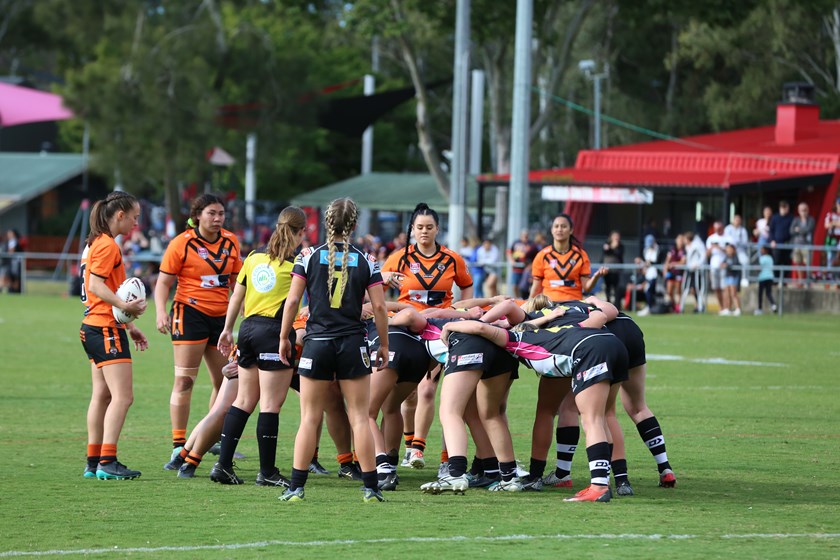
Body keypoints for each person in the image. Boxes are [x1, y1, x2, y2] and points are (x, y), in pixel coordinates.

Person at [278, 197, 389, 502]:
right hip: (353, 344)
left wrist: (284, 336)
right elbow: (380, 307)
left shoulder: (308, 256)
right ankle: (370, 488)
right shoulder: (367, 259)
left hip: (317, 344)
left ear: (326, 222)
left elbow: (292, 301)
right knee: (360, 418)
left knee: (309, 418)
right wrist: (384, 344)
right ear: (354, 225)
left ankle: (296, 487)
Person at [208, 206, 307, 486]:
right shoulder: (296, 264)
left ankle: (223, 465)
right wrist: (285, 336)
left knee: (243, 401)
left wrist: (227, 330)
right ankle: (267, 472)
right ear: (301, 232)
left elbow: (236, 297)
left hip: (248, 330)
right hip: (274, 332)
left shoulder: (253, 257)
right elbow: (294, 302)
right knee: (270, 405)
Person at [380, 203, 473, 471]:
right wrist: (383, 279)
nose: (424, 232)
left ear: (437, 229)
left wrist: (459, 311)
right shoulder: (399, 258)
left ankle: (425, 452)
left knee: (429, 390)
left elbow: (467, 286)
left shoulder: (452, 259)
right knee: (407, 394)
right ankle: (408, 446)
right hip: (407, 332)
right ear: (412, 229)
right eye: (419, 227)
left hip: (440, 331)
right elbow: (375, 290)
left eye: (429, 227)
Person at [154, 194, 242, 462]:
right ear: (198, 216)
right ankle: (178, 443)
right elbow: (163, 283)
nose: (217, 218)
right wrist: (160, 311)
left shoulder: (231, 241)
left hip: (221, 318)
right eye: (211, 213)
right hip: (189, 314)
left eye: (221, 213)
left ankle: (209, 437)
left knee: (225, 380)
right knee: (185, 380)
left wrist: (244, 305)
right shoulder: (182, 243)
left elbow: (236, 281)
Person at [78, 191, 149, 480]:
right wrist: (125, 306)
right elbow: (96, 285)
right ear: (120, 215)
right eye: (134, 217)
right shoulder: (108, 245)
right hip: (105, 327)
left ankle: (93, 461)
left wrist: (130, 326)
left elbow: (104, 287)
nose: (136, 223)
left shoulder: (96, 242)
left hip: (93, 327)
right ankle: (107, 461)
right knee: (123, 397)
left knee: (102, 396)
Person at [529, 213, 605, 302]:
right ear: (552, 230)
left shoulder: (580, 255)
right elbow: (536, 288)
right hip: (549, 304)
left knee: (605, 308)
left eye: (563, 226)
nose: (559, 229)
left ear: (571, 230)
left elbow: (587, 287)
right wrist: (528, 304)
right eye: (556, 226)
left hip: (574, 303)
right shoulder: (542, 255)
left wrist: (595, 277)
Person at [705, 221, 729, 314]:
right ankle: (721, 307)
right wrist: (711, 248)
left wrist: (719, 247)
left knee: (724, 287)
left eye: (719, 228)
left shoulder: (727, 237)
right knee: (716, 287)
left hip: (723, 265)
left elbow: (730, 251)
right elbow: (706, 254)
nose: (717, 230)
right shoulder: (711, 238)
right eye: (716, 229)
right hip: (714, 266)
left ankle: (726, 308)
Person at [789, 202, 815, 287]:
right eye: (801, 210)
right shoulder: (796, 220)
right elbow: (791, 231)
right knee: (798, 263)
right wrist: (799, 230)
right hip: (797, 245)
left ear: (808, 210)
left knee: (808, 264)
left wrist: (798, 230)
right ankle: (801, 281)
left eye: (805, 210)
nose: (803, 212)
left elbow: (808, 230)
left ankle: (808, 281)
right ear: (798, 211)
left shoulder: (811, 220)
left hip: (807, 245)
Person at [601, 230, 624, 310]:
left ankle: (617, 305)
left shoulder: (620, 246)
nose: (616, 238)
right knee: (607, 287)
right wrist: (611, 247)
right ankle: (608, 303)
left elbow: (619, 254)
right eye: (614, 236)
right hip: (607, 270)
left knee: (616, 288)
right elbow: (605, 252)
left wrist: (613, 248)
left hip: (616, 271)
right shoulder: (606, 243)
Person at [770, 201, 793, 280]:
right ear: (780, 208)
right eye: (783, 207)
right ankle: (776, 280)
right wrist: (772, 240)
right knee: (776, 261)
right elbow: (771, 230)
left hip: (787, 244)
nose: (785, 209)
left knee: (786, 262)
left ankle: (785, 280)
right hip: (777, 244)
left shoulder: (791, 218)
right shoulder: (775, 218)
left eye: (786, 207)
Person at [724, 214, 750, 285]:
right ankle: (724, 280)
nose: (737, 221)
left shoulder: (743, 230)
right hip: (728, 251)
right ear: (733, 220)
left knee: (745, 261)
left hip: (739, 250)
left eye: (739, 220)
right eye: (736, 220)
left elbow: (745, 242)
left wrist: (736, 243)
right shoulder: (728, 229)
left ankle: (744, 279)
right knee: (723, 262)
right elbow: (725, 240)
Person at [663, 234, 686, 312]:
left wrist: (674, 264)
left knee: (678, 291)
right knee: (669, 291)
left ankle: (678, 307)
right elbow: (667, 260)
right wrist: (665, 270)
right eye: (679, 240)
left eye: (681, 240)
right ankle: (672, 305)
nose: (680, 242)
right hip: (671, 273)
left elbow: (683, 262)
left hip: (679, 273)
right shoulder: (672, 249)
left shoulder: (684, 251)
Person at [507, 229, 533, 298]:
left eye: (526, 236)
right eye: (524, 235)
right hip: (516, 268)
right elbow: (509, 252)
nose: (525, 237)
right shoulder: (516, 242)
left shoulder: (531, 244)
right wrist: (511, 260)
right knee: (514, 285)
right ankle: (518, 298)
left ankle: (526, 299)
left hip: (526, 269)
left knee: (525, 286)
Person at [720, 243, 742, 316]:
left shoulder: (735, 257)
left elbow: (734, 264)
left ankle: (738, 308)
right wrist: (722, 265)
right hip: (727, 276)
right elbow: (722, 263)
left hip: (733, 276)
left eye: (730, 249)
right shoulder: (726, 257)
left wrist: (727, 265)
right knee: (727, 294)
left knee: (733, 293)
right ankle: (727, 308)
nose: (728, 250)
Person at [755, 245, 778, 315]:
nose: (761, 251)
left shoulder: (762, 258)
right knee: (768, 293)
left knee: (760, 294)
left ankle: (760, 309)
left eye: (762, 249)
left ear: (766, 250)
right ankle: (773, 305)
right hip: (770, 277)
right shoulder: (771, 258)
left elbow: (759, 268)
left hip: (762, 277)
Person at [824, 198, 840, 280]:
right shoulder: (830, 214)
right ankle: (830, 277)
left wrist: (833, 223)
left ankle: (835, 277)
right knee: (830, 258)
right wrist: (835, 223)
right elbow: (826, 225)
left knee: (837, 258)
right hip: (832, 239)